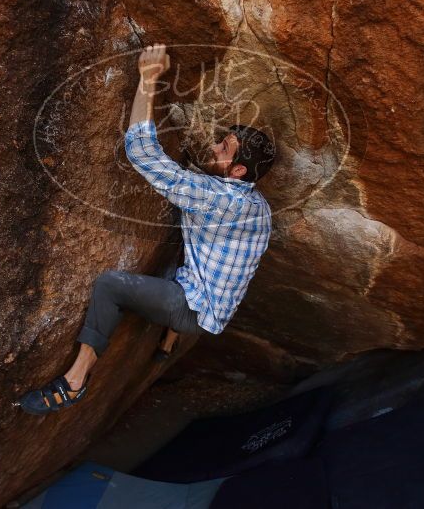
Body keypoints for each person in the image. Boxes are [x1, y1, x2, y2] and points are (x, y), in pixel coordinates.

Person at [18, 44, 275, 415]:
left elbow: (141, 151)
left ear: (237, 172)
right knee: (184, 255)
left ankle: (74, 382)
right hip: (216, 310)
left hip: (190, 308)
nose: (214, 146)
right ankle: (168, 343)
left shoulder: (214, 198)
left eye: (224, 148)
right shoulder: (259, 207)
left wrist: (148, 77)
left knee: (110, 285)